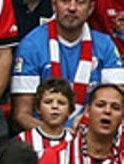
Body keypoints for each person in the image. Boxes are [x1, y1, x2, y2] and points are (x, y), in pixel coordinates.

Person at [11, 0, 124, 128]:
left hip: (91, 134)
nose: (72, 8)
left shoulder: (105, 45)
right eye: (65, 1)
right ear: (53, 5)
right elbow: (22, 115)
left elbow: (118, 101)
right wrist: (57, 135)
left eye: (80, 2)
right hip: (44, 138)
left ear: (91, 8)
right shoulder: (31, 45)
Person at [17, 79, 76, 153]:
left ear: (70, 110)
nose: (55, 106)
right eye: (48, 102)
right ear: (38, 108)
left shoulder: (75, 142)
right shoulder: (22, 140)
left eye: (61, 103)